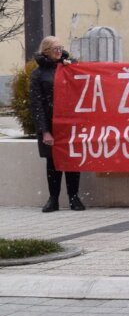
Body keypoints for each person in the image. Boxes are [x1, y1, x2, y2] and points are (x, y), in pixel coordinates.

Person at [29, 36, 84, 213]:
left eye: (60, 48)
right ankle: (53, 199)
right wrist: (44, 131)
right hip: (50, 124)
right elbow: (37, 105)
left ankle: (74, 197)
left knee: (72, 159)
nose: (59, 51)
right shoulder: (38, 74)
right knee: (52, 162)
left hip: (70, 123)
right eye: (55, 48)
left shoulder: (69, 67)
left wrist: (72, 67)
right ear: (46, 51)